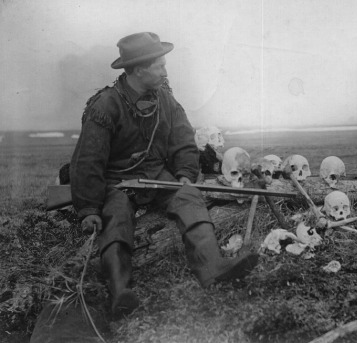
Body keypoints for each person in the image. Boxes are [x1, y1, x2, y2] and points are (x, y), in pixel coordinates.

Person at [69, 32, 259, 319]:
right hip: (115, 182)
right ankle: (120, 292)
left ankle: (213, 269)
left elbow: (183, 140)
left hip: (157, 176)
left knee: (188, 196)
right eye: (160, 66)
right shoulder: (104, 106)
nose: (165, 71)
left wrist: (184, 174)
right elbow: (88, 161)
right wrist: (89, 208)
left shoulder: (166, 101)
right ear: (139, 68)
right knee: (117, 214)